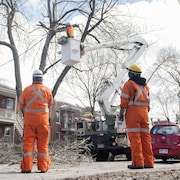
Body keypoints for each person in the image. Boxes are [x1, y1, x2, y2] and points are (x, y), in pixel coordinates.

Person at [19, 69, 54, 173]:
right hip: (43, 122)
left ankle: (27, 168)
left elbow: (21, 106)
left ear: (33, 78)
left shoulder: (26, 90)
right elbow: (51, 106)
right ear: (41, 79)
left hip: (29, 122)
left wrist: (26, 115)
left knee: (28, 144)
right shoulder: (47, 91)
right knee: (43, 145)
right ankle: (43, 167)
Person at [119, 64, 154, 169]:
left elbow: (124, 101)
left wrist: (121, 113)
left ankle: (138, 163)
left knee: (135, 139)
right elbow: (148, 103)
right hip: (145, 115)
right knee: (146, 139)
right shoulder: (145, 86)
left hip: (133, 115)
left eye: (129, 72)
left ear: (132, 73)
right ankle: (149, 163)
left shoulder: (129, 84)